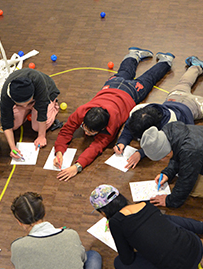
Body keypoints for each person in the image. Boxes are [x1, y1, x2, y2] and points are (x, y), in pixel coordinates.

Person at [53, 47, 175, 181]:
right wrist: (59, 151)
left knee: (148, 79)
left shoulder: (111, 126)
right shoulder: (81, 111)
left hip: (130, 92)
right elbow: (66, 130)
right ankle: (135, 55)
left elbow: (96, 147)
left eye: (91, 132)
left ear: (102, 129)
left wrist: (77, 166)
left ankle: (165, 61)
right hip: (112, 85)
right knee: (126, 71)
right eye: (84, 128)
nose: (86, 134)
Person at [90, 184, 203, 269]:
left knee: (119, 263)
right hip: (197, 248)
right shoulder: (144, 204)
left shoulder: (116, 223)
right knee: (166, 219)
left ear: (103, 212)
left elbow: (127, 259)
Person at [0, 69, 63, 158]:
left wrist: (41, 136)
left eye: (27, 103)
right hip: (28, 101)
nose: (25, 106)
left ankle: (53, 105)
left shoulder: (39, 82)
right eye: (21, 104)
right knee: (13, 125)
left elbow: (42, 110)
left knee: (37, 127)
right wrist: (13, 147)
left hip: (46, 95)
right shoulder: (6, 94)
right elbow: (6, 122)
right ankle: (28, 109)